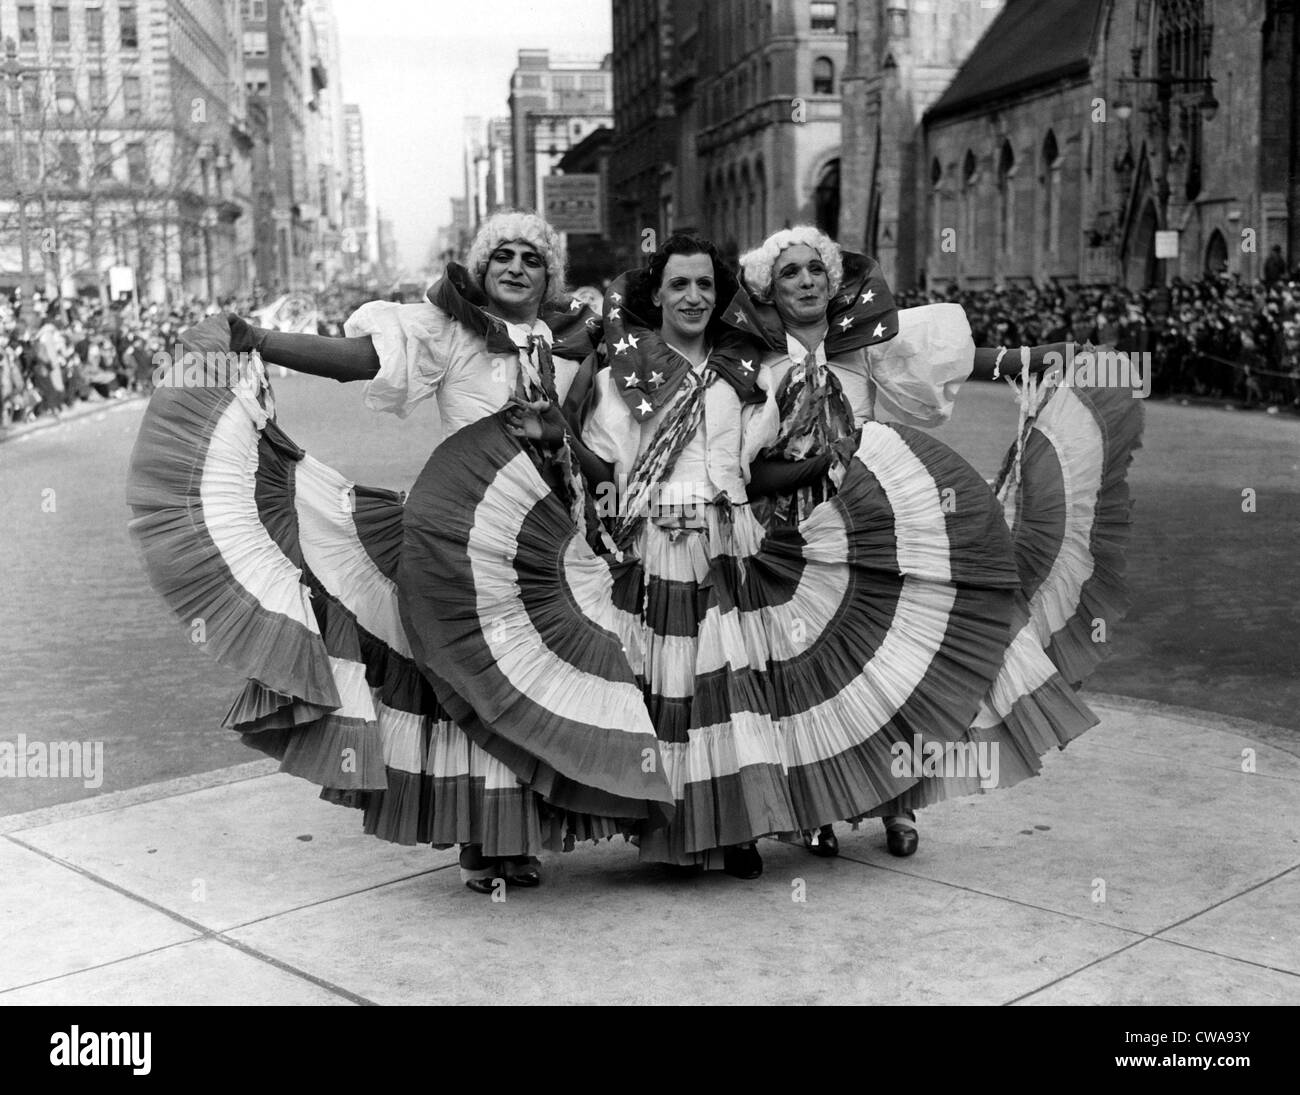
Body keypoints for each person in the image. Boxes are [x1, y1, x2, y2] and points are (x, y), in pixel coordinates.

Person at [422, 233, 1026, 880]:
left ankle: (734, 827)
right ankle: (679, 834)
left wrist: (829, 462)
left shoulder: (746, 376)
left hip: (730, 546)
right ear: (657, 294)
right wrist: (559, 437)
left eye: (705, 284)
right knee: (672, 696)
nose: (693, 295)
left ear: (722, 294)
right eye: (679, 284)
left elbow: (754, 471)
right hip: (658, 547)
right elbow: (606, 469)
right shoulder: (619, 375)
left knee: (734, 698)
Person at [128, 210, 669, 895]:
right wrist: (263, 339)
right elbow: (362, 361)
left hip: (547, 538)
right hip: (461, 531)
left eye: (531, 258)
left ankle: (524, 832)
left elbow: (607, 437)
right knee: (469, 679)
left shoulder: (574, 343)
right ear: (480, 266)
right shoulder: (450, 329)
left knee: (535, 675)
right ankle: (485, 841)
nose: (514, 268)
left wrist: (564, 437)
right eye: (500, 255)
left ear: (550, 273)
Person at [732, 225, 1140, 858]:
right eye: (790, 273)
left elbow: (958, 360)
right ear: (767, 288)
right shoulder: (753, 359)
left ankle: (898, 805)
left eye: (816, 269)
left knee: (895, 664)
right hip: (793, 531)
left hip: (877, 521)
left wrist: (1034, 360)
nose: (806, 281)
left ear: (832, 280)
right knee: (812, 673)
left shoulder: (865, 343)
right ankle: (818, 807)